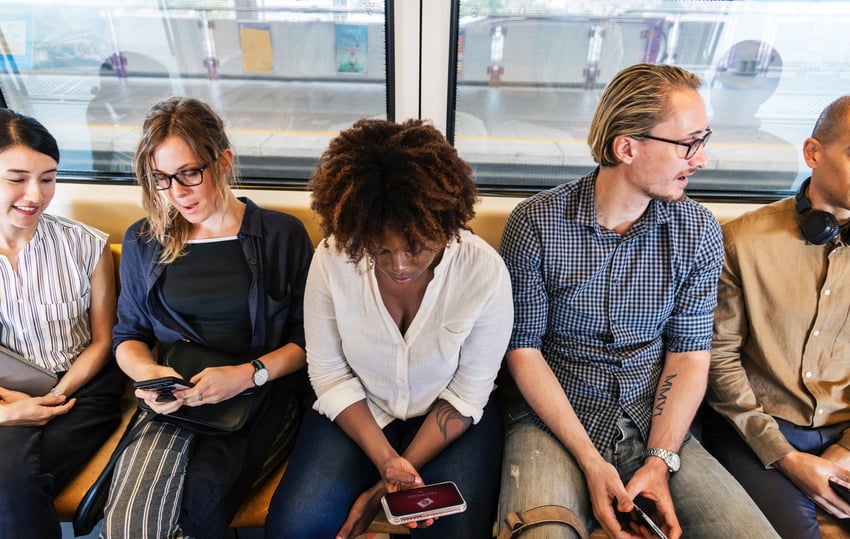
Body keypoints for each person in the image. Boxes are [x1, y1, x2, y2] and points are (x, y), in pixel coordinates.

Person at [497, 63, 778, 539]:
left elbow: (688, 354)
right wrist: (590, 460)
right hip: (553, 421)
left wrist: (660, 461)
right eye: (689, 143)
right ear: (626, 147)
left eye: (703, 139)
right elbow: (522, 349)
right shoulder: (536, 224)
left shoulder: (698, 232)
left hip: (656, 422)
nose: (702, 158)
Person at [265, 118, 513, 539]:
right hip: (360, 409)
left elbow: (468, 394)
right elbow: (328, 373)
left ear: (445, 223)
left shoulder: (483, 273)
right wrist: (385, 461)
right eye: (380, 249)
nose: (399, 265)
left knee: (453, 534)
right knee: (295, 527)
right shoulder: (333, 259)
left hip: (448, 420)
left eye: (416, 247)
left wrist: (382, 487)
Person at [101, 96, 313, 538]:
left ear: (223, 162)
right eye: (162, 179)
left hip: (259, 394)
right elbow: (129, 334)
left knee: (198, 514)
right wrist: (150, 375)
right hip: (175, 401)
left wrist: (247, 374)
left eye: (189, 174)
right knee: (129, 523)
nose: (177, 193)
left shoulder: (280, 235)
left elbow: (307, 340)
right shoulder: (145, 240)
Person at [705, 95, 850, 538]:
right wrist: (784, 456)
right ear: (813, 153)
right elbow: (719, 361)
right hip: (758, 432)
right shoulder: (740, 242)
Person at [0, 109, 124, 538]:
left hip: (81, 389)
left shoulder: (85, 245)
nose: (35, 194)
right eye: (17, 178)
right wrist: (10, 409)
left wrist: (52, 396)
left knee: (12, 485)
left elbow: (103, 341)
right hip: (6, 393)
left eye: (48, 178)